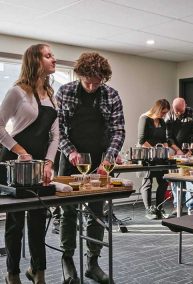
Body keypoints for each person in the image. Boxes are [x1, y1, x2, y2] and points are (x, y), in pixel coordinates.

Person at [57, 52, 125, 284]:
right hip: (71, 161)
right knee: (68, 213)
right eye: (88, 81)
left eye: (97, 82)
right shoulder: (64, 92)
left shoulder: (111, 95)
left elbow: (118, 131)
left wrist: (108, 160)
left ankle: (92, 263)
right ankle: (68, 261)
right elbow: (58, 131)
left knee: (97, 213)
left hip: (101, 162)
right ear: (80, 75)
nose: (92, 86)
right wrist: (71, 152)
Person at [0, 44, 58, 284]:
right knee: (15, 224)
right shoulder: (17, 92)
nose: (54, 59)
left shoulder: (51, 95)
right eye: (48, 55)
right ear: (35, 60)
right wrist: (20, 151)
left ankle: (38, 272)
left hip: (38, 167)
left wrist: (49, 162)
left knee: (38, 220)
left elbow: (56, 136)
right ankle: (12, 273)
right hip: (14, 164)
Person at [165, 98, 193, 215]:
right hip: (175, 150)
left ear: (186, 106)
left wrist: (191, 150)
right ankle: (177, 206)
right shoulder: (169, 115)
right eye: (176, 111)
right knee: (175, 179)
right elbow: (168, 137)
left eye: (181, 111)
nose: (178, 113)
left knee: (191, 179)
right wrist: (178, 150)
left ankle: (192, 207)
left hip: (190, 150)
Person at [137, 99, 170, 219]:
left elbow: (165, 140)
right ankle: (149, 210)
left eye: (166, 113)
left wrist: (166, 152)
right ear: (157, 109)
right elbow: (141, 140)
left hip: (160, 155)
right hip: (147, 155)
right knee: (147, 182)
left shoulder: (162, 121)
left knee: (164, 181)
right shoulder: (145, 119)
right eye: (163, 112)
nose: (164, 115)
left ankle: (159, 208)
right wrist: (154, 151)